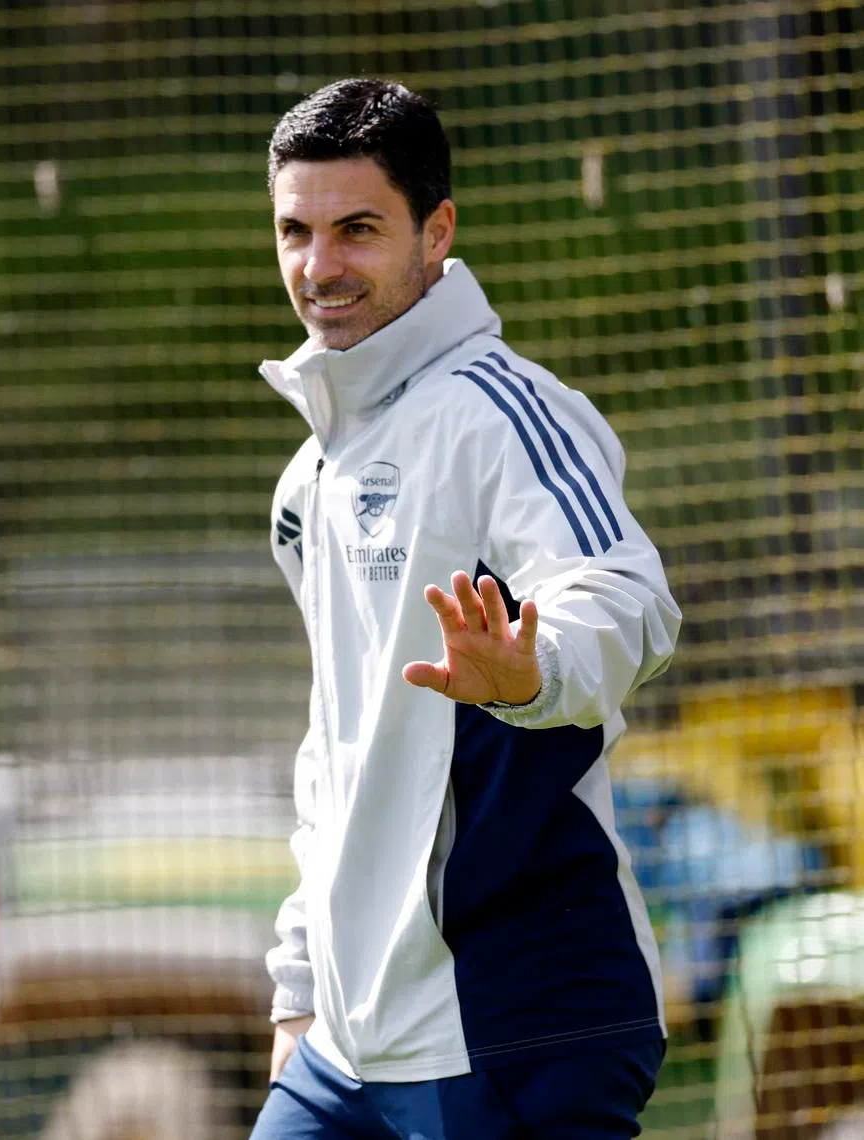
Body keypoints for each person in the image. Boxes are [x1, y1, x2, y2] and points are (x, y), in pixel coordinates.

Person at [254, 78, 682, 1139]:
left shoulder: (500, 413)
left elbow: (628, 596)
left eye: (358, 229)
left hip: (516, 1023)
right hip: (346, 1049)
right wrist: (301, 985)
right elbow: (338, 753)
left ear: (435, 232)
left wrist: (533, 673)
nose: (320, 265)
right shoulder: (309, 479)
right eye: (297, 231)